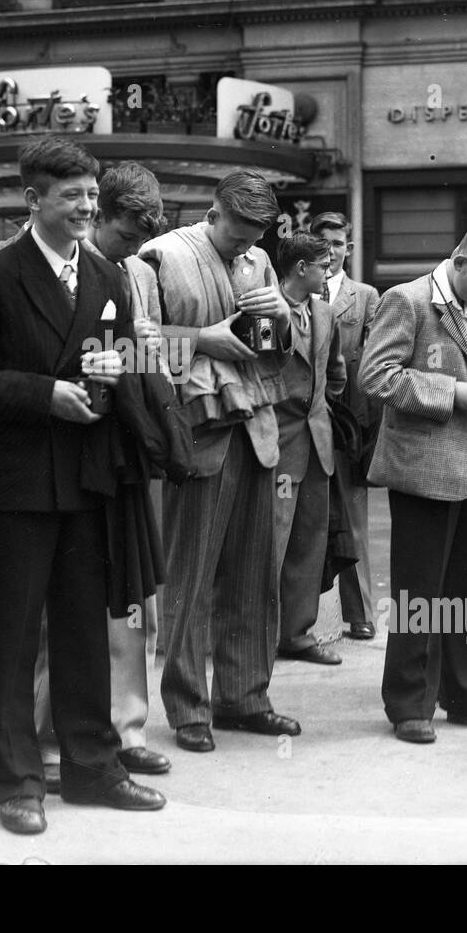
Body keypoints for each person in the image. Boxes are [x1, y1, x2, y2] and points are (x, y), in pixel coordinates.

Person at [0, 137, 167, 835]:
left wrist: (113, 375)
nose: (86, 207)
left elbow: (120, 355)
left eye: (91, 197)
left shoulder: (105, 275)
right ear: (33, 200)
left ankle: (93, 766)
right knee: (13, 635)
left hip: (89, 477)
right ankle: (17, 781)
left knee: (85, 631)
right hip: (21, 482)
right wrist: (46, 394)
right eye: (73, 198)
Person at [139, 168, 298, 753]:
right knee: (191, 578)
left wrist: (281, 318)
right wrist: (203, 340)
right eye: (237, 235)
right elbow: (128, 345)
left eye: (257, 236)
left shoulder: (259, 262)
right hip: (196, 434)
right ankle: (188, 709)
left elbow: (275, 351)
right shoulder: (159, 255)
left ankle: (245, 698)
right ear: (212, 213)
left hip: (256, 431)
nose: (247, 247)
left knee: (256, 574)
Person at [358, 219, 467, 745]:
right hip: (423, 473)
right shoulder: (406, 301)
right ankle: (410, 703)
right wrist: (452, 393)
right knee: (420, 594)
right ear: (460, 258)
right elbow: (375, 376)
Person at [273, 232, 346, 665]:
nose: (329, 270)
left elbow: (334, 371)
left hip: (316, 440)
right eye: (323, 264)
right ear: (301, 268)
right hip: (275, 442)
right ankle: (260, 634)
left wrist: (321, 409)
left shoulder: (324, 312)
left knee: (308, 541)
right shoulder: (266, 306)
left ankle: (297, 634)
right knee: (269, 543)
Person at [310, 212, 381, 641]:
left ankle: (361, 613)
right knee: (308, 517)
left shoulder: (366, 296)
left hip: (348, 422)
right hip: (307, 418)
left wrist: (370, 429)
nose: (332, 250)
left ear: (348, 248)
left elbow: (374, 364)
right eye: (325, 242)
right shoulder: (298, 289)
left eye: (339, 243)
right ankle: (307, 615)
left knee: (354, 520)